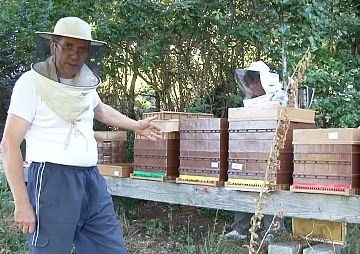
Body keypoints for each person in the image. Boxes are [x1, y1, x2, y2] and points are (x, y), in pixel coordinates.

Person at [0, 17, 161, 254]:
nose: (75, 55)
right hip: (52, 181)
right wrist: (22, 203)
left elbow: (100, 109)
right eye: (68, 46)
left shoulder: (84, 83)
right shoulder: (30, 84)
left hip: (91, 180)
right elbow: (9, 144)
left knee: (110, 249)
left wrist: (136, 125)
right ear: (54, 46)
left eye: (82, 49)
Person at [225, 61, 287, 240]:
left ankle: (273, 231)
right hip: (249, 147)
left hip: (273, 148)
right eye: (249, 81)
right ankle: (240, 229)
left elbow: (279, 109)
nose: (251, 85)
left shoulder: (279, 94)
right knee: (242, 183)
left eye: (254, 81)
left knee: (270, 188)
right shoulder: (251, 100)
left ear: (264, 80)